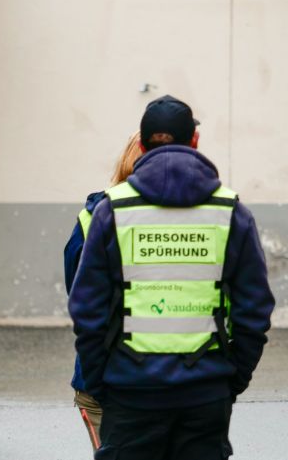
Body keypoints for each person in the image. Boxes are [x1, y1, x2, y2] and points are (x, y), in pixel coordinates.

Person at [68, 95, 275, 459]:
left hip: (129, 390)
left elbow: (87, 311)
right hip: (205, 392)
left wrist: (104, 383)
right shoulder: (231, 212)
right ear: (194, 140)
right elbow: (254, 311)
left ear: (143, 144)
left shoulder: (111, 211)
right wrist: (229, 381)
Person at [65, 131, 143, 452]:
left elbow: (79, 297)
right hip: (177, 378)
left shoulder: (94, 214)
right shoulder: (201, 219)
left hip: (103, 377)